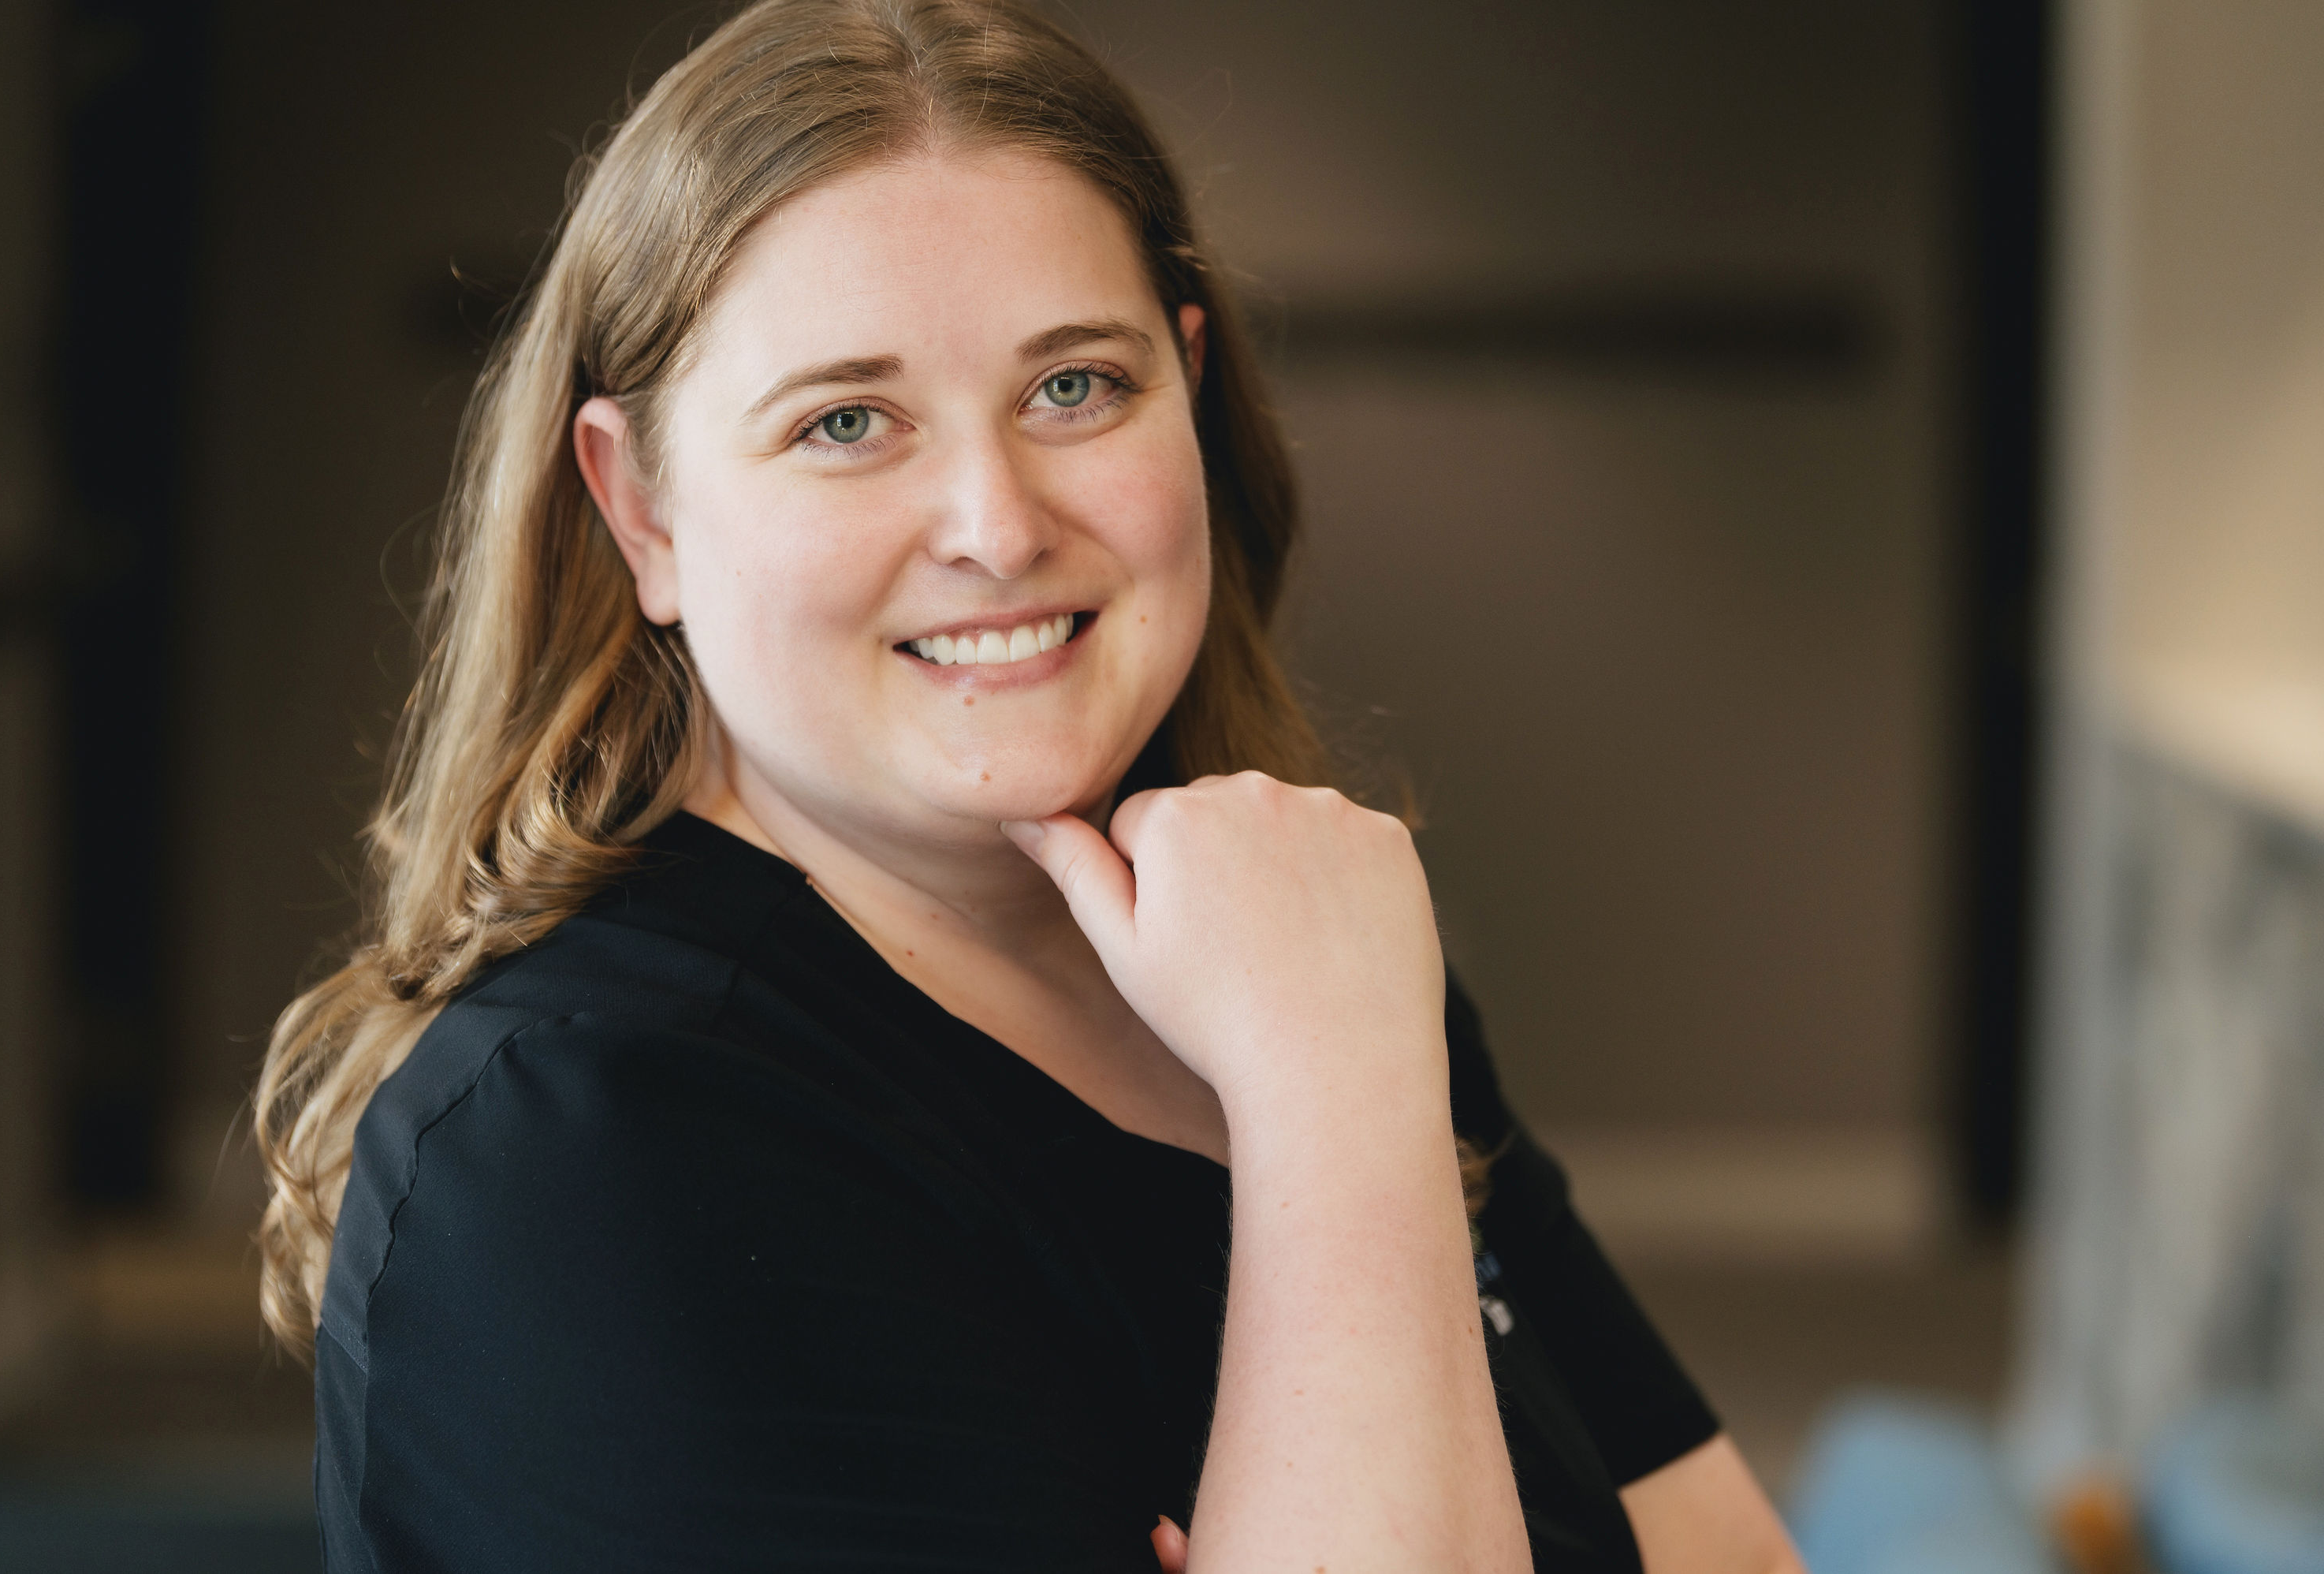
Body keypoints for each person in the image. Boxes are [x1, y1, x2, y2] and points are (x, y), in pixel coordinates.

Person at [254, 2, 1806, 1568]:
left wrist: (1330, 1072)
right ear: (640, 508)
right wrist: (1337, 1129)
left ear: (1189, 390)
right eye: (846, 422)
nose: (997, 526)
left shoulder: (1312, 952)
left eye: (1076, 387)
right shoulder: (581, 1146)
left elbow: (1738, 1555)